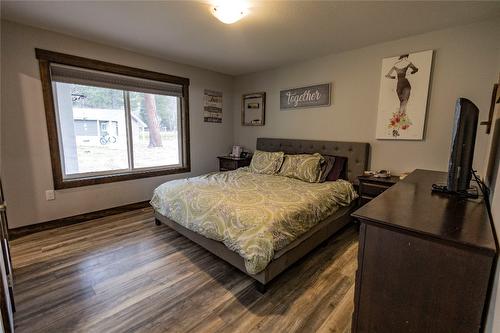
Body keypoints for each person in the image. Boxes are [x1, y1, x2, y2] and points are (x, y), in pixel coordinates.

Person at [385, 54, 419, 137]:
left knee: (403, 103)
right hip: (405, 83)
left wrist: (394, 77)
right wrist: (412, 72)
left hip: (399, 85)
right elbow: (416, 69)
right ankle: (399, 126)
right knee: (404, 103)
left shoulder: (395, 65)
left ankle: (398, 129)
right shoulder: (408, 63)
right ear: (406, 56)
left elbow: (387, 75)